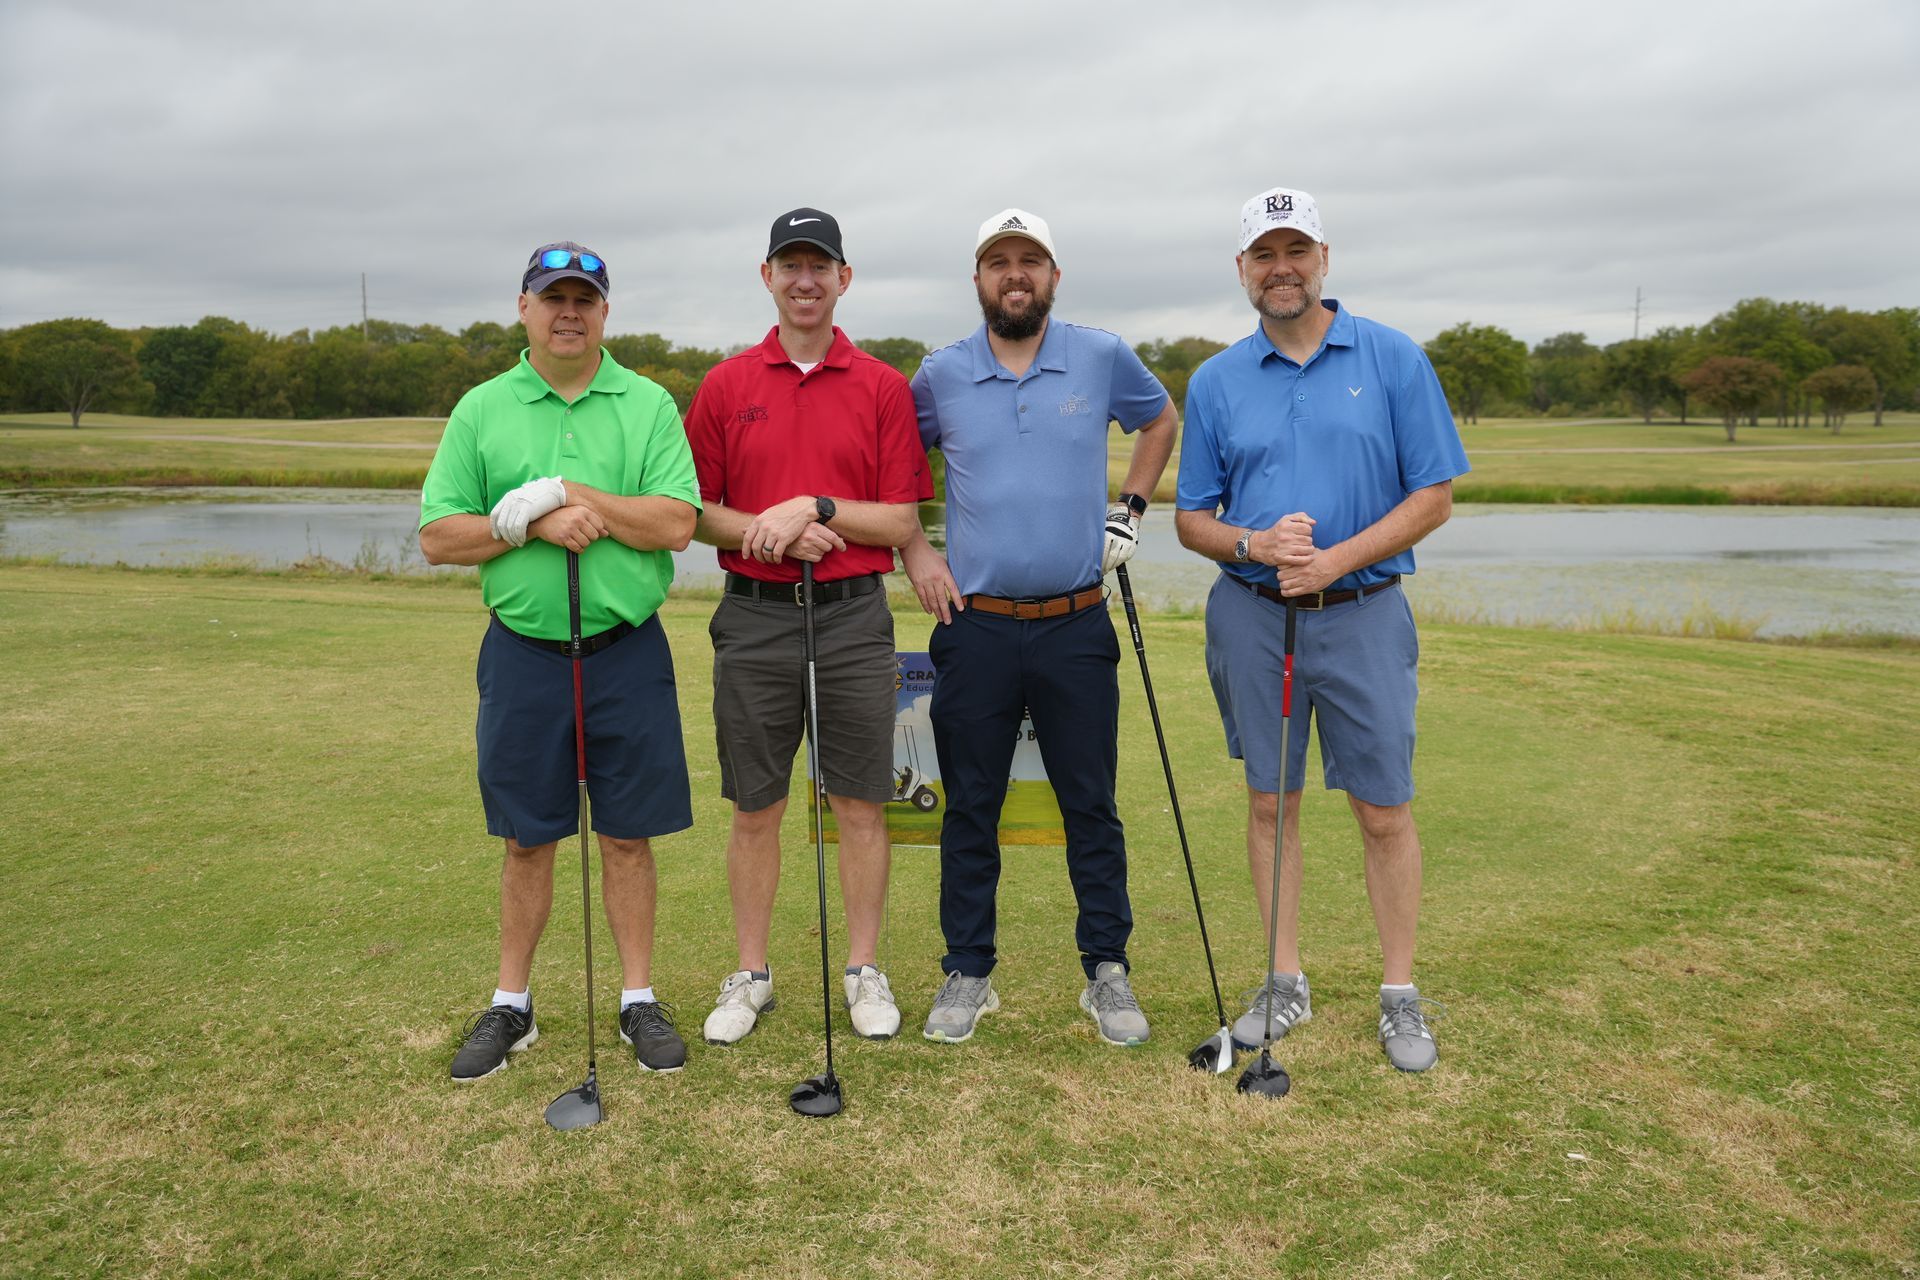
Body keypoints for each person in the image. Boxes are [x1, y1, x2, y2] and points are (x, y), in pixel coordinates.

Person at [1173, 188, 1470, 1072]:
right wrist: (1254, 544)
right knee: (1272, 801)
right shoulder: (1217, 379)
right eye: (1264, 254)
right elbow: (1192, 519)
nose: (1281, 268)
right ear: (1242, 271)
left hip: (1363, 613)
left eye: (1295, 249)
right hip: (1254, 617)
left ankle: (1399, 994)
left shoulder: (1390, 357)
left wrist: (1335, 561)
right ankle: (1283, 979)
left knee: (1384, 808)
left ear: (1323, 258)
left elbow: (1435, 496)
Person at [421, 241, 701, 1081]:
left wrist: (574, 496)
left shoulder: (647, 403)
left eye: (584, 298)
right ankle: (513, 1004)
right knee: (525, 839)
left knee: (626, 836)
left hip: (625, 652)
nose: (568, 312)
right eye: (553, 297)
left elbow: (676, 524)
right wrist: (525, 524)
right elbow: (439, 537)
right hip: (524, 657)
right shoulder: (481, 408)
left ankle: (637, 998)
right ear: (524, 308)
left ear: (605, 312)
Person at [903, 208, 1177, 1047]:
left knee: (1089, 802)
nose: (1014, 274)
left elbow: (1159, 421)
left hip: (1075, 622)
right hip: (974, 625)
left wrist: (1127, 510)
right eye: (998, 262)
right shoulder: (940, 374)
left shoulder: (1099, 355)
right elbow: (894, 467)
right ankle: (968, 972)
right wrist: (915, 548)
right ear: (978, 280)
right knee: (971, 806)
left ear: (1054, 277)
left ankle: (1107, 970)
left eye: (1031, 261)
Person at [684, 208, 930, 1045]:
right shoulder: (726, 386)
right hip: (754, 620)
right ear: (767, 277)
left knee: (862, 802)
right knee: (757, 805)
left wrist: (818, 510)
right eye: (789, 265)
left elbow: (899, 521)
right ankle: (751, 974)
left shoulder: (883, 386)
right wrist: (777, 528)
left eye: (819, 266)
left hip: (854, 618)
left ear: (843, 278)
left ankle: (864, 969)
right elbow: (697, 515)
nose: (804, 280)